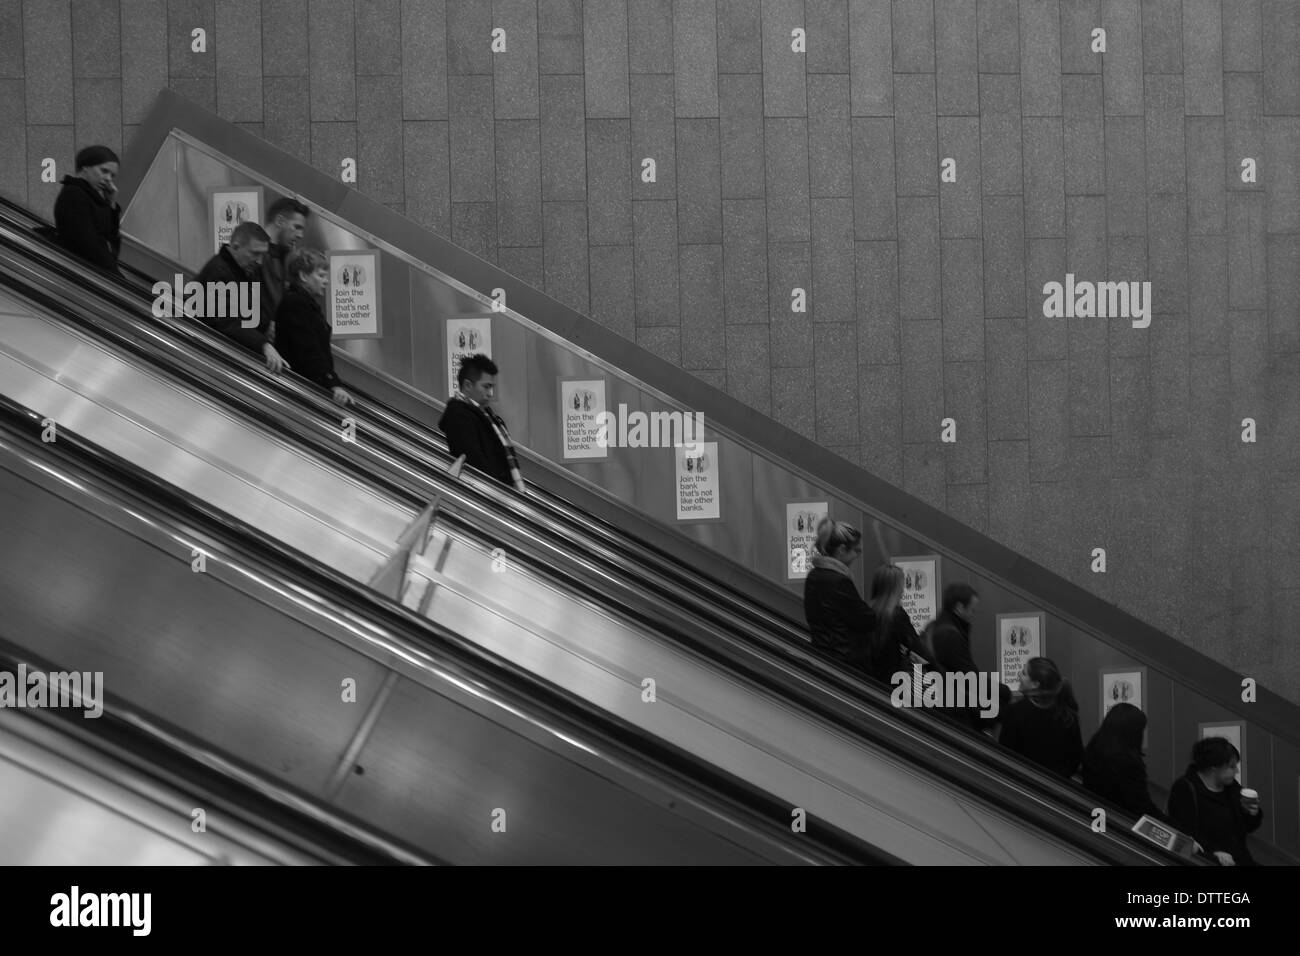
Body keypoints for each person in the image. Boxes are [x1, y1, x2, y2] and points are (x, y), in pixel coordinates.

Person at [195, 221, 288, 373]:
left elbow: (247, 311)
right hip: (209, 357)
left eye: (262, 255)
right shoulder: (219, 271)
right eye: (255, 253)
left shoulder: (242, 272)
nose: (259, 261)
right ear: (236, 247)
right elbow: (227, 321)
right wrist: (264, 345)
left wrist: (266, 325)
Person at [273, 248, 354, 406]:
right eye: (321, 275)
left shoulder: (303, 303)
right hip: (301, 390)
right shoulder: (296, 304)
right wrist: (332, 383)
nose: (327, 281)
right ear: (303, 276)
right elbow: (308, 349)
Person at [1167, 738, 1264, 866]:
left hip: (1239, 860)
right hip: (1207, 860)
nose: (1236, 771)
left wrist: (1253, 813)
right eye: (1231, 766)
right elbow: (1185, 830)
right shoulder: (1185, 788)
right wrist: (1213, 851)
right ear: (1214, 768)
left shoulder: (1231, 787)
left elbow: (1246, 827)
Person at [439, 354, 523, 489]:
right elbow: (475, 462)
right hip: (487, 493)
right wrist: (501, 490)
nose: (490, 393)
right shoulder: (458, 416)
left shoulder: (486, 415)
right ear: (467, 385)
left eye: (492, 387)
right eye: (486, 387)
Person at [803, 518, 875, 674]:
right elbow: (866, 619)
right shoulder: (839, 581)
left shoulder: (814, 576)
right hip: (844, 661)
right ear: (842, 550)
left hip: (821, 654)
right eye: (857, 551)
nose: (858, 556)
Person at [998, 657, 1083, 778]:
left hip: (1024, 785)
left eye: (1024, 673)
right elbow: (1075, 758)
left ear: (1035, 684)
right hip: (1059, 788)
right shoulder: (1068, 716)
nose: (1019, 675)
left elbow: (1006, 755)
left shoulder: (1015, 713)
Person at [1081, 703, 1166, 822]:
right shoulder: (1127, 763)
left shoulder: (1094, 748)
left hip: (1097, 815)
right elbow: (1141, 805)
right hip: (1121, 821)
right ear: (1133, 732)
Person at [53, 145, 122, 275]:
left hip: (97, 273)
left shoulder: (94, 198)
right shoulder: (74, 195)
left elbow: (112, 244)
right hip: (85, 274)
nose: (109, 179)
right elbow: (89, 247)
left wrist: (112, 204)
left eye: (112, 175)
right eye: (104, 171)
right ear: (85, 167)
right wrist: (117, 280)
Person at [927, 583, 984, 730]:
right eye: (972, 610)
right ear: (959, 608)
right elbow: (970, 675)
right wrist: (1003, 692)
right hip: (953, 708)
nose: (973, 615)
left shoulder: (935, 626)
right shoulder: (950, 635)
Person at [261, 197, 310, 339]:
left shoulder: (280, 257)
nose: (300, 235)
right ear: (280, 221)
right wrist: (263, 324)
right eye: (297, 227)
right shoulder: (253, 254)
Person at [865, 564, 919, 683]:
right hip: (891, 679)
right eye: (901, 586)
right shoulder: (897, 615)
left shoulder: (866, 611)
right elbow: (915, 646)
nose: (903, 591)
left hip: (868, 678)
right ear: (896, 588)